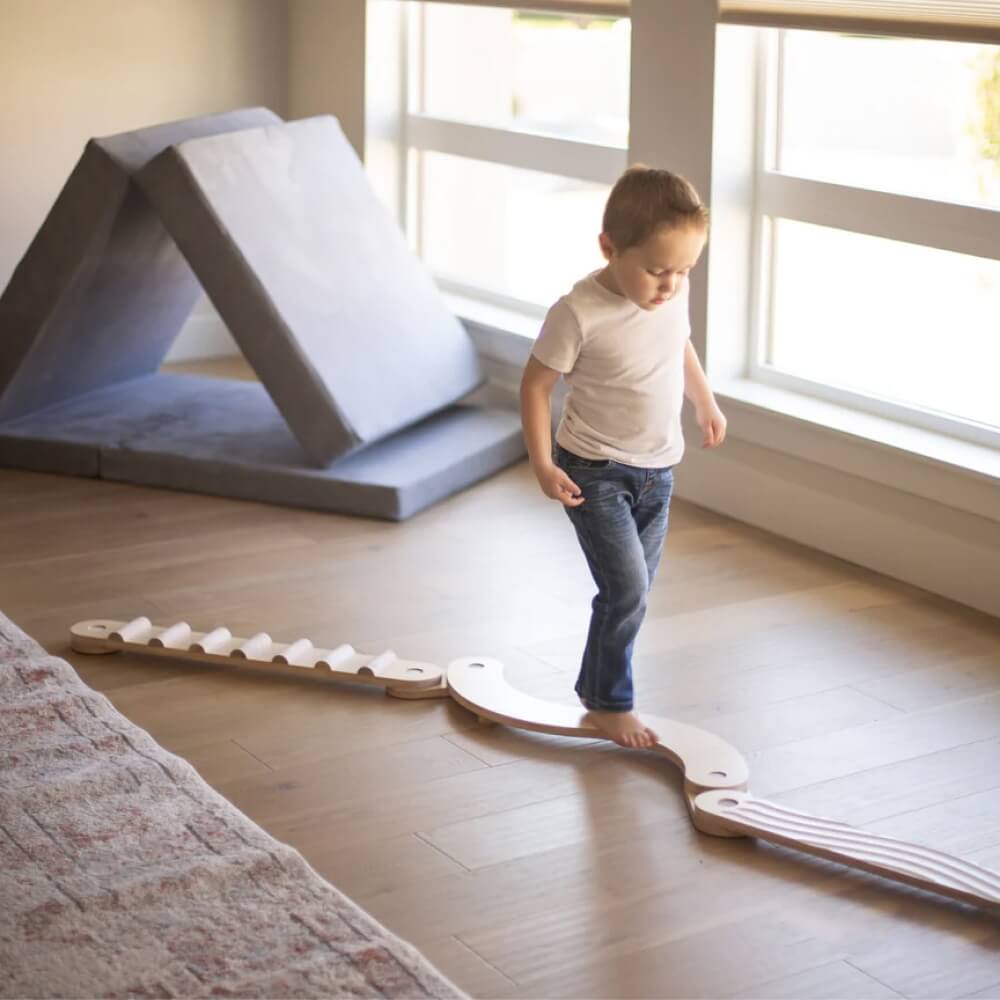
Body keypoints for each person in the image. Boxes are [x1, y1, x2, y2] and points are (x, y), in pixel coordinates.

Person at [519, 165, 726, 749]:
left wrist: (704, 399)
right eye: (657, 270)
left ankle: (594, 689)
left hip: (659, 470)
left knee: (629, 592)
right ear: (609, 247)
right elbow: (535, 386)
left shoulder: (673, 294)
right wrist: (541, 462)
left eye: (684, 270)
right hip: (593, 470)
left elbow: (677, 342)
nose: (670, 285)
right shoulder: (578, 312)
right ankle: (613, 703)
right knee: (628, 590)